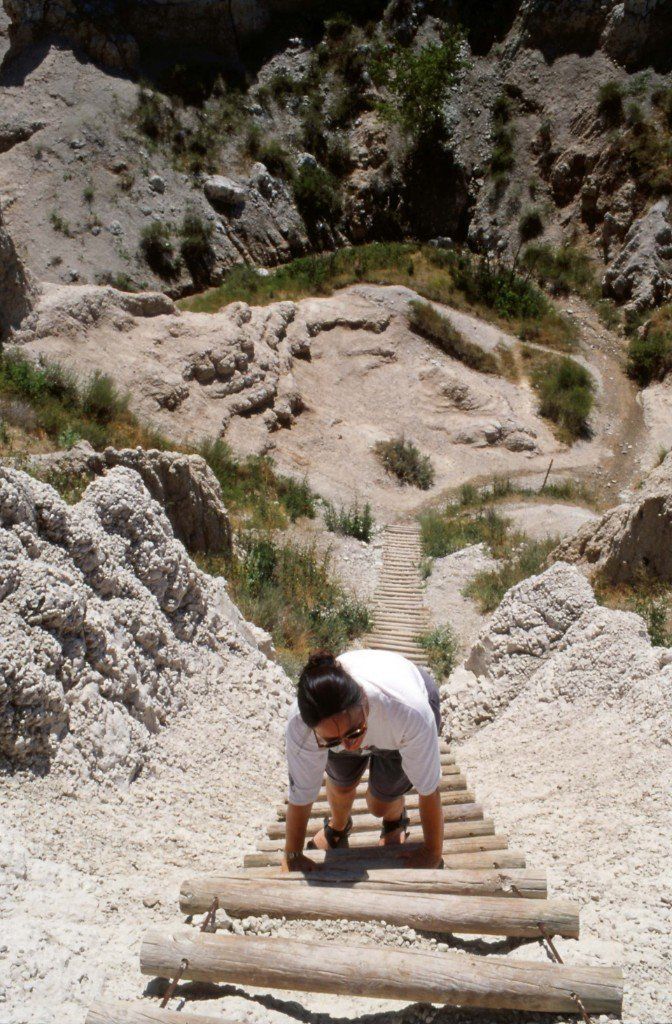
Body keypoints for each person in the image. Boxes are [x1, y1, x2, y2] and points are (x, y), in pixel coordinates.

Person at [283, 647, 444, 872]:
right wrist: (293, 855)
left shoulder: (410, 712)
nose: (349, 747)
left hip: (398, 720)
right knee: (341, 786)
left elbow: (429, 789)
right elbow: (301, 793)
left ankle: (394, 821)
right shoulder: (301, 724)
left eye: (354, 734)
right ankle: (338, 827)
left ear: (364, 700)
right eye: (332, 741)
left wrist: (432, 852)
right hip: (363, 719)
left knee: (380, 804)